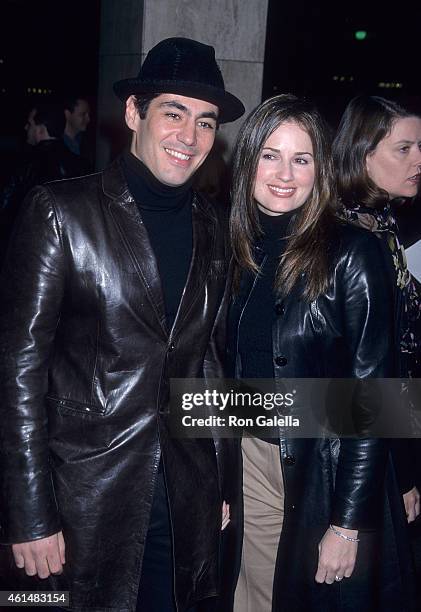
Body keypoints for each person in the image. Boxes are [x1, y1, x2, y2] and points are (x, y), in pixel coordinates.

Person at [0, 37, 244, 612]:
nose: (190, 136)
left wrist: (215, 476)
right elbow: (18, 372)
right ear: (134, 113)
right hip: (81, 501)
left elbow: (205, 357)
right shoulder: (61, 212)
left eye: (205, 122)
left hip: (181, 501)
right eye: (173, 113)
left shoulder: (211, 226)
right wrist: (30, 512)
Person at [226, 94, 415, 611]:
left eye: (302, 158)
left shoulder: (355, 252)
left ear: (321, 168)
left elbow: (375, 398)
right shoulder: (233, 245)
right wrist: (219, 480)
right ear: (248, 163)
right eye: (271, 154)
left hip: (326, 470)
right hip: (250, 456)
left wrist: (348, 522)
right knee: (251, 599)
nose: (285, 172)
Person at [333, 95, 421, 515]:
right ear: (363, 156)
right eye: (404, 149)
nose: (418, 159)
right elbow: (373, 367)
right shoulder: (353, 240)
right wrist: (401, 471)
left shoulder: (386, 224)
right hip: (357, 441)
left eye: (420, 147)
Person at [0, 102, 87, 253]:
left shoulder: (25, 163)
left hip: (27, 251)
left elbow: (4, 204)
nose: (26, 128)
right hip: (67, 251)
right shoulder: (80, 164)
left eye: (30, 124)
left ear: (41, 130)